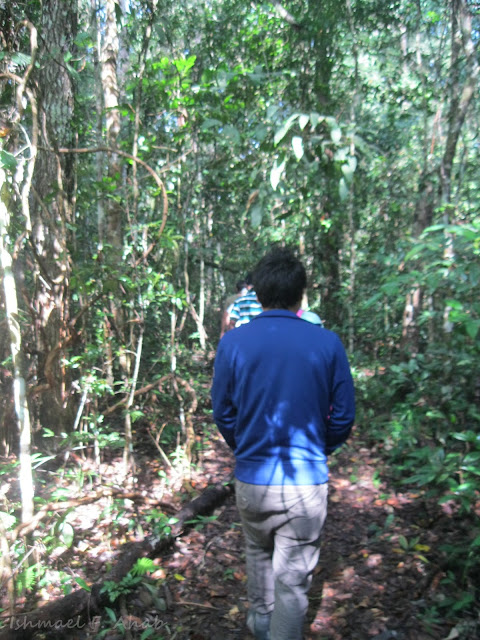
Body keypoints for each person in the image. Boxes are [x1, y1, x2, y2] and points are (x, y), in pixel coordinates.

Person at [211, 247, 355, 640]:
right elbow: (343, 415)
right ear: (300, 295)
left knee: (258, 554)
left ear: (257, 293)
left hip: (253, 479)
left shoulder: (234, 343)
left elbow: (222, 411)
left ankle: (261, 625)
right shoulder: (327, 343)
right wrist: (317, 449)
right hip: (305, 483)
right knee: (291, 583)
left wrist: (245, 446)